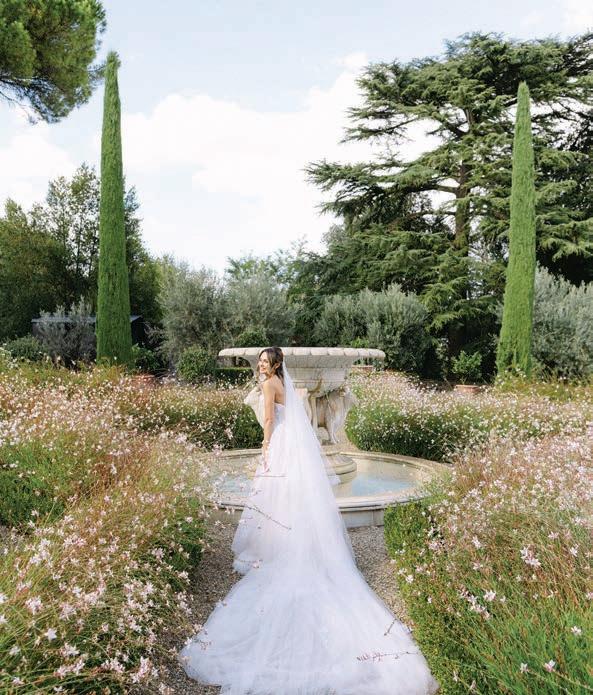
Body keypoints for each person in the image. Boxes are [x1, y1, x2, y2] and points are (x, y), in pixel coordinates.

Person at [178, 347, 440, 694]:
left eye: (265, 362)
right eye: (260, 362)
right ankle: (295, 540)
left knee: (275, 495)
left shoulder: (269, 385)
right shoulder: (283, 383)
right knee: (292, 496)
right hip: (294, 445)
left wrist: (265, 448)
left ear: (275, 365)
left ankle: (280, 545)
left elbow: (268, 420)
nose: (261, 366)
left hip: (279, 443)